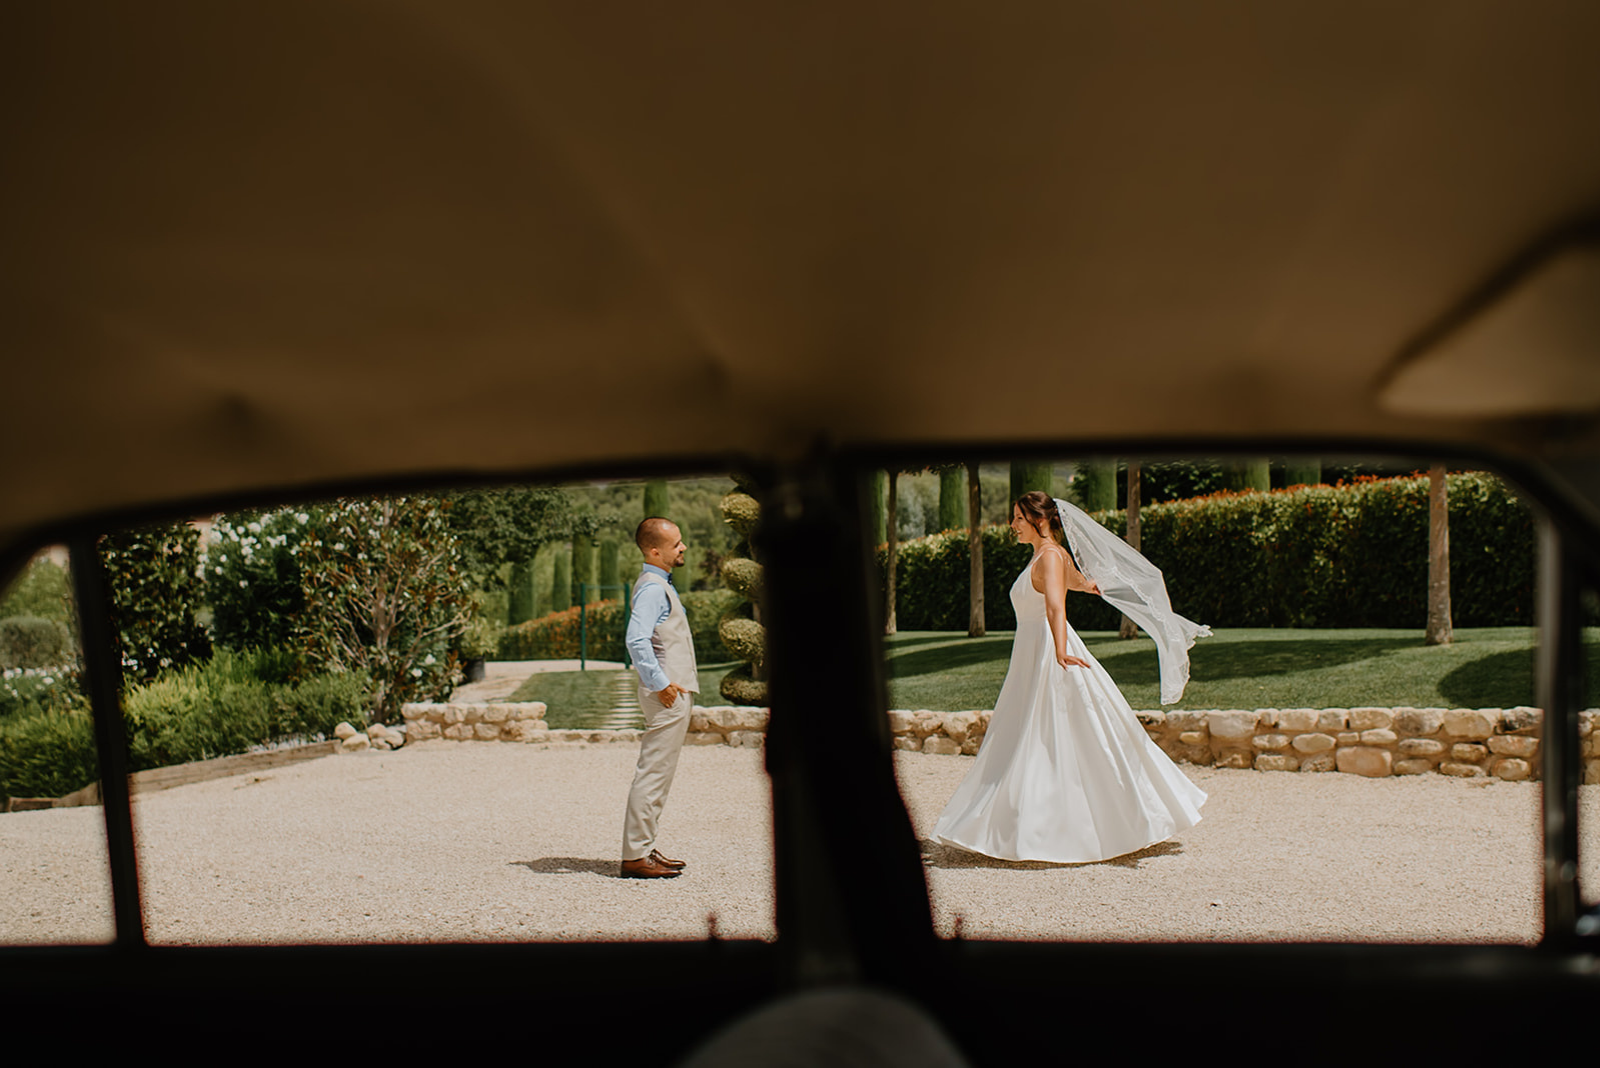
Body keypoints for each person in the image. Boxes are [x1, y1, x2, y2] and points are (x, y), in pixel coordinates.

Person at [932, 492, 1207, 863]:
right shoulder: (1054, 554)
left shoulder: (1047, 555)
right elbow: (1073, 582)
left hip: (1045, 648)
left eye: (1018, 518)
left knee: (1050, 731)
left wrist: (1060, 651)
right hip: (1034, 649)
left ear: (1039, 520)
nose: (1012, 525)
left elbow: (1055, 606)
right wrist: (1091, 586)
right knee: (1053, 731)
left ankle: (1061, 826)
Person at [619, 516, 700, 879]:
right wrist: (660, 684)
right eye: (676, 543)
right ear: (655, 551)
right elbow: (636, 640)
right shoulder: (652, 587)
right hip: (667, 694)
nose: (683, 547)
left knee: (659, 775)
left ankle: (646, 847)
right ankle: (636, 856)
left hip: (671, 692)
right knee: (653, 774)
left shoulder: (658, 584)